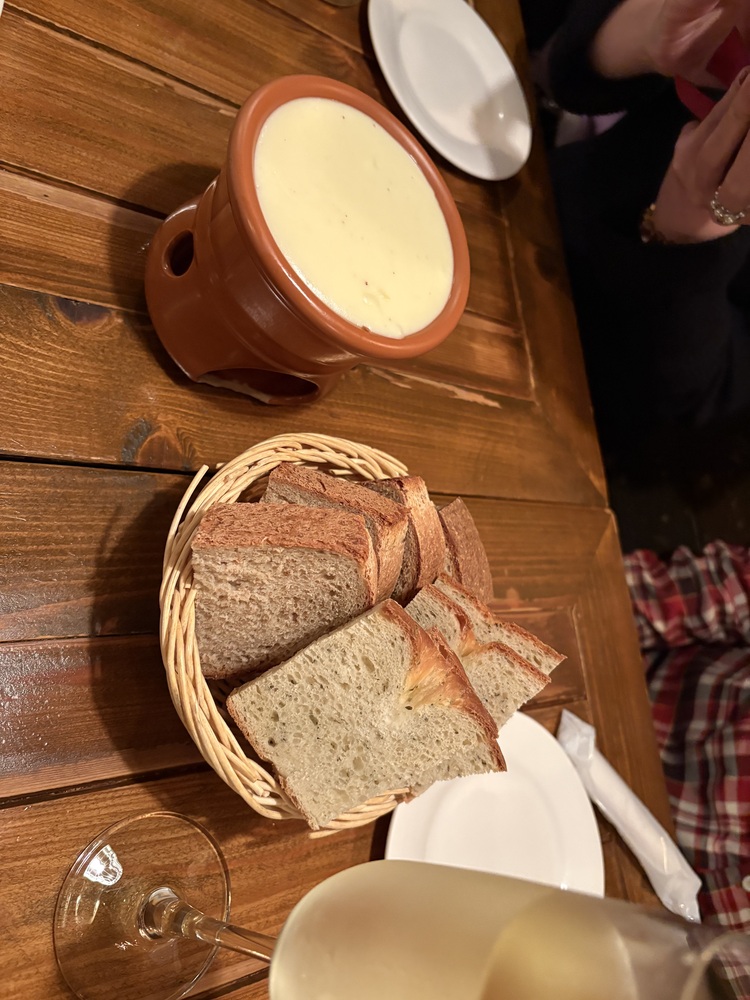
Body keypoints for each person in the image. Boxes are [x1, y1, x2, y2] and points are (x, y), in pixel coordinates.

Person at [524, 0, 750, 467]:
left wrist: (684, 229)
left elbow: (687, 400)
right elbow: (555, 64)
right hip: (520, 208)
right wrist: (649, 36)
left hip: (566, 385)